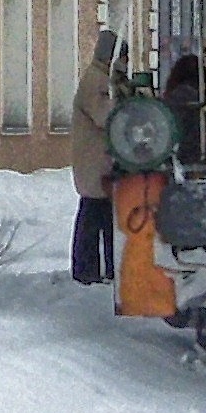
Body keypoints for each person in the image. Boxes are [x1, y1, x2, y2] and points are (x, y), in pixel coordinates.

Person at [68, 31, 126, 284]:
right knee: (96, 217)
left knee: (98, 216)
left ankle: (93, 269)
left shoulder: (99, 78)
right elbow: (106, 117)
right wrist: (124, 99)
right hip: (96, 162)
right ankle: (88, 270)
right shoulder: (97, 82)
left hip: (95, 161)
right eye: (123, 57)